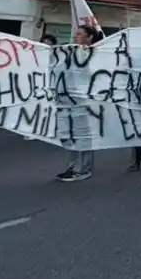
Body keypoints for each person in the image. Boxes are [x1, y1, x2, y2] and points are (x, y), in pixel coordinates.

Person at [56, 25, 102, 183]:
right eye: (75, 34)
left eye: (79, 34)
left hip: (84, 103)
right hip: (66, 102)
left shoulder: (94, 55)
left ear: (89, 37)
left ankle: (84, 169)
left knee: (83, 136)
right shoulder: (70, 53)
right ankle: (73, 166)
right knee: (68, 135)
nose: (75, 36)